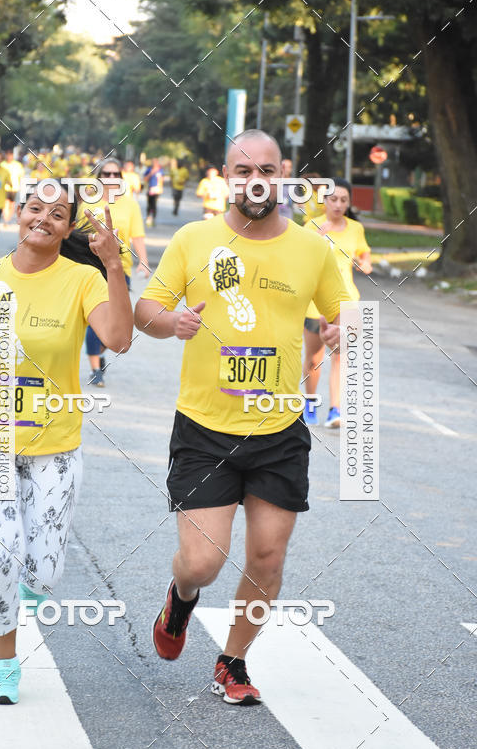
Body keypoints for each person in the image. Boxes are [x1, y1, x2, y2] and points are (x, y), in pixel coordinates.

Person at [134, 129, 350, 706]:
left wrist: (338, 328)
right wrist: (171, 321)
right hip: (205, 427)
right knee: (203, 562)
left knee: (266, 557)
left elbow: (346, 310)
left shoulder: (312, 248)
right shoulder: (194, 238)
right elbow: (144, 310)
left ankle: (233, 661)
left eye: (269, 169)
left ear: (285, 177)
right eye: (242, 169)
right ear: (227, 177)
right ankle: (180, 597)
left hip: (279, 429)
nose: (256, 179)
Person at [0, 180, 133, 705]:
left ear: (69, 228)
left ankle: (19, 595)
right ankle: (5, 665)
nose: (43, 218)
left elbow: (118, 338)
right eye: (35, 208)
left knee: (42, 572)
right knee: (3, 553)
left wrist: (114, 265)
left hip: (56, 443)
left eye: (59, 213)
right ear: (20, 213)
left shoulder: (82, 280)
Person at [302, 177, 372, 428]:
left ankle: (335, 410)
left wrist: (365, 263)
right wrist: (316, 244)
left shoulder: (356, 228)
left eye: (344, 200)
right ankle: (309, 403)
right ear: (324, 201)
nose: (338, 204)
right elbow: (301, 265)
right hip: (316, 306)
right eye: (333, 199)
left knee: (341, 357)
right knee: (313, 358)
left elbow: (365, 255)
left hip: (348, 301)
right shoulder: (311, 226)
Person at [73, 157, 149, 387]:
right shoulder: (85, 201)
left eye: (117, 175)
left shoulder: (130, 204)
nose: (112, 178)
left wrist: (143, 261)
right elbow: (71, 234)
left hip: (118, 268)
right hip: (89, 268)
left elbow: (137, 235)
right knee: (95, 318)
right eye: (107, 174)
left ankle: (102, 347)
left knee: (115, 320)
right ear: (98, 178)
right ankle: (96, 369)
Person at [2, 149, 24, 225]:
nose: (8, 157)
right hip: (4, 187)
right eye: (7, 155)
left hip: (14, 187)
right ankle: (5, 218)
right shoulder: (2, 164)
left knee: (11, 203)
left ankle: (9, 217)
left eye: (10, 155)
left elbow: (21, 175)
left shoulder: (17, 165)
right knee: (5, 203)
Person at [143, 157, 163, 227]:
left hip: (156, 190)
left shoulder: (160, 170)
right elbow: (145, 179)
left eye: (156, 162)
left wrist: (160, 188)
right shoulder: (149, 170)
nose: (154, 163)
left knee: (154, 204)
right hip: (150, 189)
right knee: (149, 204)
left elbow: (161, 179)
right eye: (153, 162)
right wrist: (151, 173)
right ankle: (148, 217)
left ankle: (153, 218)